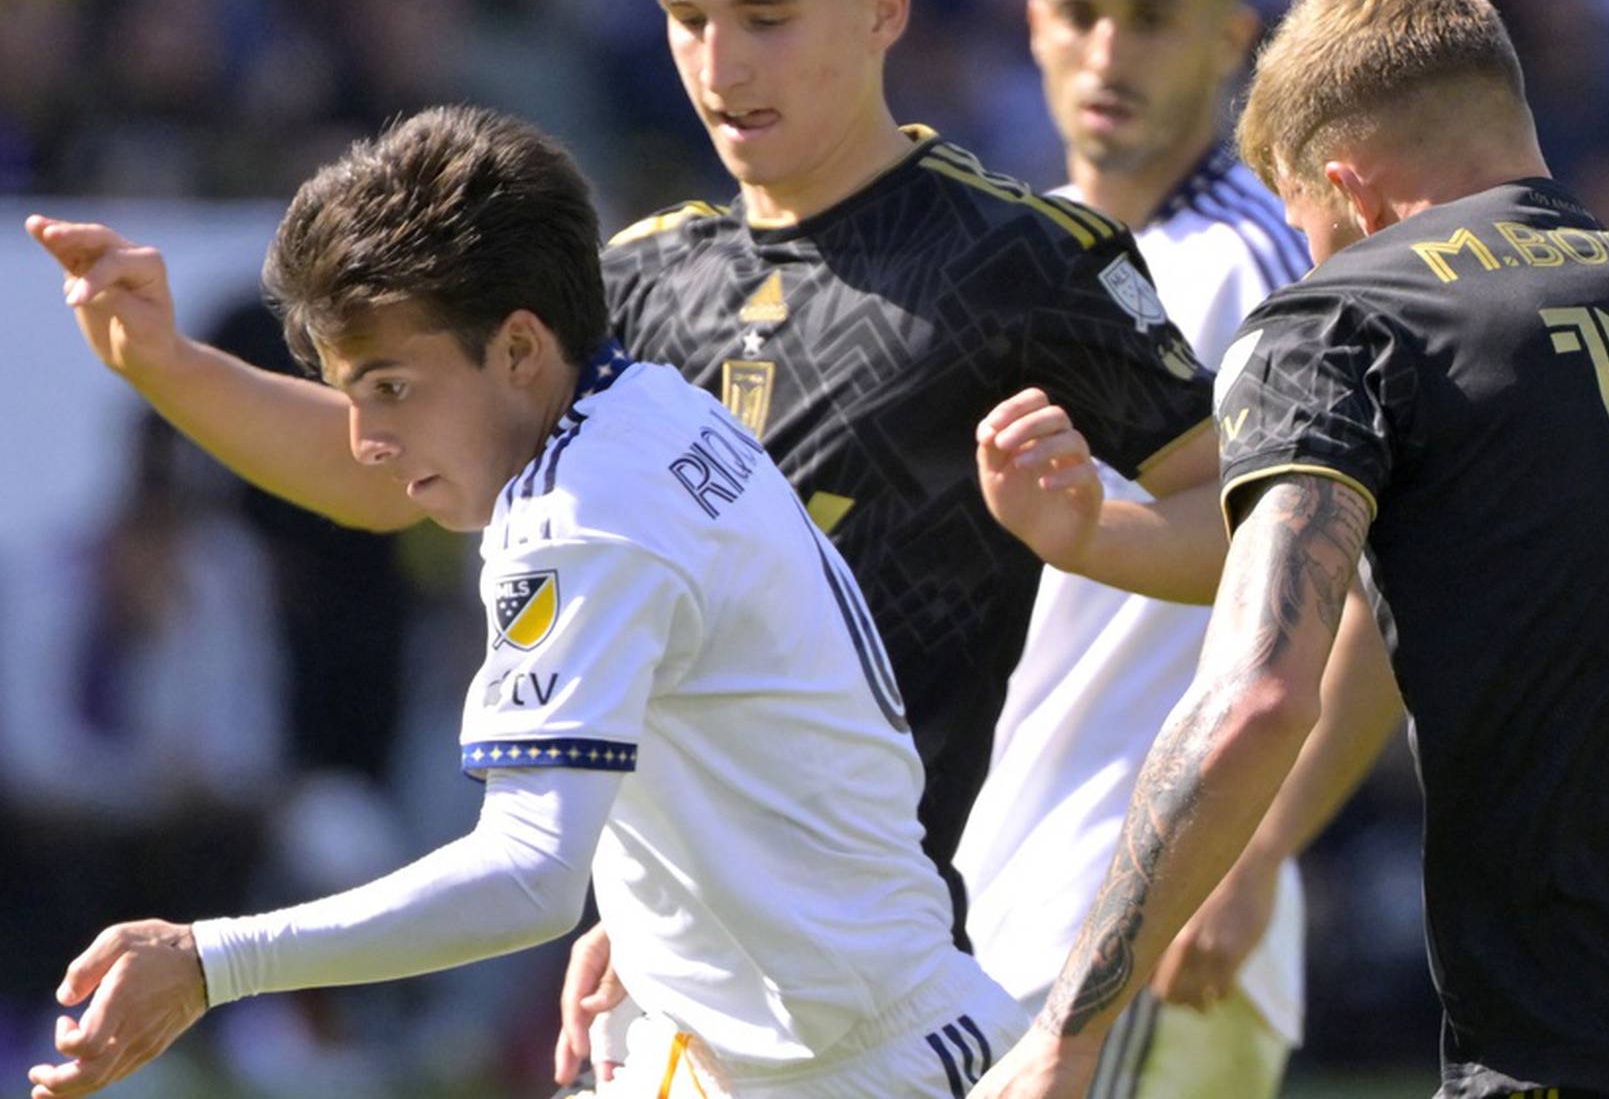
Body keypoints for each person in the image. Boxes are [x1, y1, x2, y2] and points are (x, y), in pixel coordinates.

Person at [24, 0, 1224, 1087]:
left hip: (898, 971)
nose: (721, 66)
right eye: (687, 18)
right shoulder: (648, 278)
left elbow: (1257, 539)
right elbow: (402, 471)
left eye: (768, 17)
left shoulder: (1024, 258)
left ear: (884, 10)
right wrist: (169, 364)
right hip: (685, 993)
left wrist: (1097, 532)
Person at [971, 0, 1609, 1099]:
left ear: (1350, 193)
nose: (1315, 259)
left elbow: (1258, 697)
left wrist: (1067, 1031)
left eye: (1307, 227)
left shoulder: (1347, 313)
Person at [26, 106, 1027, 1099]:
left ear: (515, 348)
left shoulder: (582, 513)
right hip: (744, 1045)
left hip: (855, 1071)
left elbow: (528, 876)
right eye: (351, 393)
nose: (367, 437)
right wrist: (655, 921)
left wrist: (210, 964)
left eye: (388, 389)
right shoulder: (633, 405)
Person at [953, 0, 1402, 1099]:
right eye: (1082, 13)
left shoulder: (1264, 269)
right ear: (1035, 26)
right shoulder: (1025, 252)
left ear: (1231, 40)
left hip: (1146, 928)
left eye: (1153, 17)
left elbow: (1368, 588)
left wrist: (1255, 849)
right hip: (994, 909)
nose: (1111, 51)